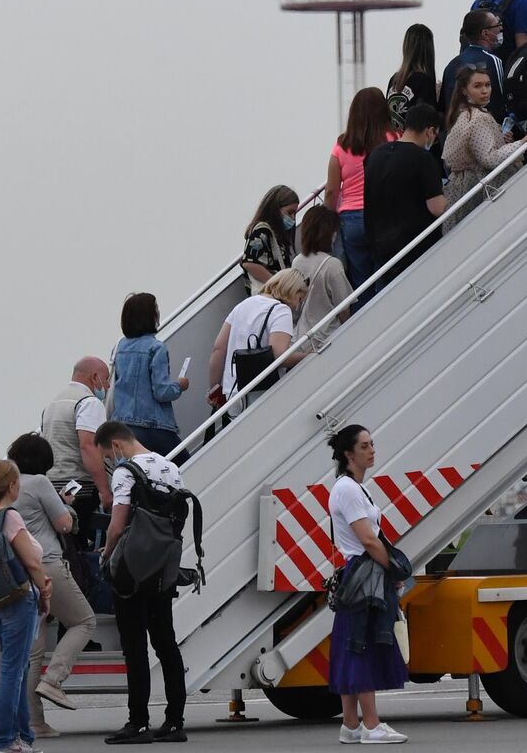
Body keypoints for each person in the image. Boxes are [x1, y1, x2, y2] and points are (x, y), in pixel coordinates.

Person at [95, 422, 189, 745]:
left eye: (108, 454)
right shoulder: (172, 468)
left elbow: (117, 526)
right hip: (162, 568)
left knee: (134, 646)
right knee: (166, 642)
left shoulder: (126, 473)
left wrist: (106, 555)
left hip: (132, 571)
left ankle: (138, 722)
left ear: (116, 445)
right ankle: (175, 721)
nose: (110, 461)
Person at [3, 434, 95, 737]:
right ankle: (54, 679)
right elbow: (64, 525)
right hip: (48, 564)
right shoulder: (41, 482)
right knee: (84, 621)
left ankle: (35, 722)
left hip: (18, 568)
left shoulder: (10, 484)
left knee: (33, 651)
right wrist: (67, 506)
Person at [326, 425, 409, 745]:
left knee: (353, 645)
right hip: (365, 576)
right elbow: (368, 540)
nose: (372, 450)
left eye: (372, 444)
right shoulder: (348, 489)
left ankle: (351, 724)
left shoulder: (354, 487)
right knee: (363, 646)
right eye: (364, 446)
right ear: (349, 454)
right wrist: (394, 571)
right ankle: (371, 725)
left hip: (357, 576)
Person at [0, 460, 50, 753]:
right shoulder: (10, 517)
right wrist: (45, 589)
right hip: (20, 600)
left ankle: (22, 737)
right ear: (12, 486)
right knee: (13, 673)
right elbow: (31, 560)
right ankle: (7, 740)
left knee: (16, 667)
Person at [441, 67, 527, 232]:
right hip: (480, 188)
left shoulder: (465, 115)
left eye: (487, 85)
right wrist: (522, 142)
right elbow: (489, 158)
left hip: (464, 188)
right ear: (464, 91)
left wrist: (503, 141)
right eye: (478, 86)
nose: (485, 90)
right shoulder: (479, 118)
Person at [363, 102, 447, 283]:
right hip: (416, 248)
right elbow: (437, 208)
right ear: (430, 131)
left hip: (381, 246)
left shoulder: (375, 155)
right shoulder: (424, 159)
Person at [208, 269, 310, 416]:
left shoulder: (242, 305)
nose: (297, 305)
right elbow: (279, 356)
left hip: (233, 393)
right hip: (261, 393)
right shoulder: (281, 311)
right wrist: (307, 355)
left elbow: (218, 349)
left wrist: (214, 389)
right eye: (299, 299)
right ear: (292, 290)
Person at [327, 87, 394, 294]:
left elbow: (331, 191)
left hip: (352, 219)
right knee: (386, 279)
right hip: (385, 215)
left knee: (360, 284)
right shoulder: (394, 138)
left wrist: (329, 221)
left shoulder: (342, 145)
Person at [42, 356, 110, 550]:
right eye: (106, 380)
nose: (107, 387)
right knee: (81, 547)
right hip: (81, 488)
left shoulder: (53, 404)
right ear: (95, 377)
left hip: (53, 486)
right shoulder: (88, 403)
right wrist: (105, 491)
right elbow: (87, 446)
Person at [112, 293, 189, 456]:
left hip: (124, 426)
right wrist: (179, 386)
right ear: (150, 316)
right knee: (185, 466)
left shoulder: (120, 348)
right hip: (153, 426)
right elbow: (161, 391)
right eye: (156, 309)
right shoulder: (156, 348)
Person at [291, 205, 353, 336]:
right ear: (330, 233)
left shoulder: (297, 261)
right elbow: (344, 310)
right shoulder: (333, 265)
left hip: (302, 335)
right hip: (328, 334)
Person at [436, 10, 506, 122]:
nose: (500, 29)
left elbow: (444, 107)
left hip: (455, 130)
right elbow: (500, 101)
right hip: (484, 128)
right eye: (497, 25)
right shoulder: (492, 60)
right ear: (485, 33)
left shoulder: (451, 65)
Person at [240, 185, 300, 294]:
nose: (293, 218)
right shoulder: (262, 231)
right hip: (266, 296)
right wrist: (278, 284)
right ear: (275, 209)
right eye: (289, 212)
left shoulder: (278, 236)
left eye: (295, 213)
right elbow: (249, 263)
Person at [385, 24, 437, 132]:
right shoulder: (424, 81)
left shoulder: (394, 79)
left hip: (393, 144)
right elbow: (429, 120)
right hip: (414, 145)